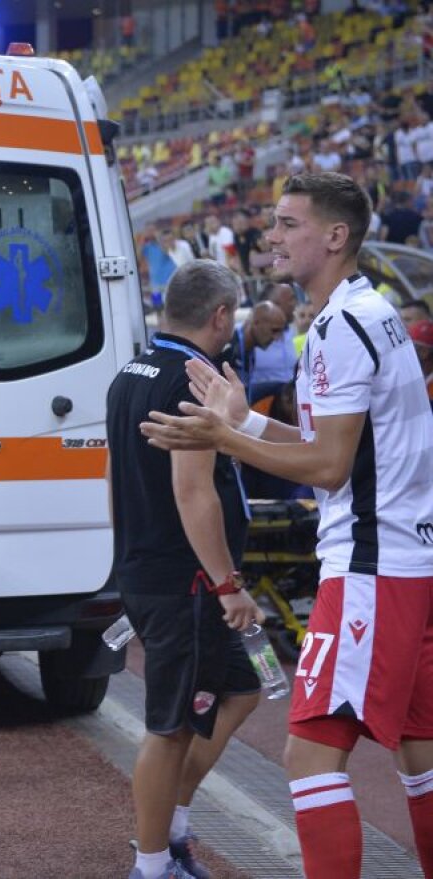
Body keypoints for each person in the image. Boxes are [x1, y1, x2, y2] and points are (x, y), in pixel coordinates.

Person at [141, 172, 433, 879]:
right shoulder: (369, 309)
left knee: (309, 754)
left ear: (334, 236)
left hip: (371, 566)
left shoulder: (338, 327)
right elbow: (331, 442)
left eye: (286, 224)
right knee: (420, 754)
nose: (270, 237)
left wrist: (220, 437)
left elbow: (328, 466)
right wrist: (244, 421)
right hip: (407, 559)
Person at [106, 260, 263, 879]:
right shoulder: (193, 381)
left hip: (155, 572)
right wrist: (228, 585)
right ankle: (151, 866)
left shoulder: (131, 371)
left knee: (244, 689)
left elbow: (116, 476)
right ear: (220, 315)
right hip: (187, 583)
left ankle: (168, 828)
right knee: (169, 728)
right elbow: (193, 492)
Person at [227, 300, 287, 389]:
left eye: (280, 332)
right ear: (256, 322)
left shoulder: (251, 352)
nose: (277, 338)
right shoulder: (227, 347)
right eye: (274, 330)